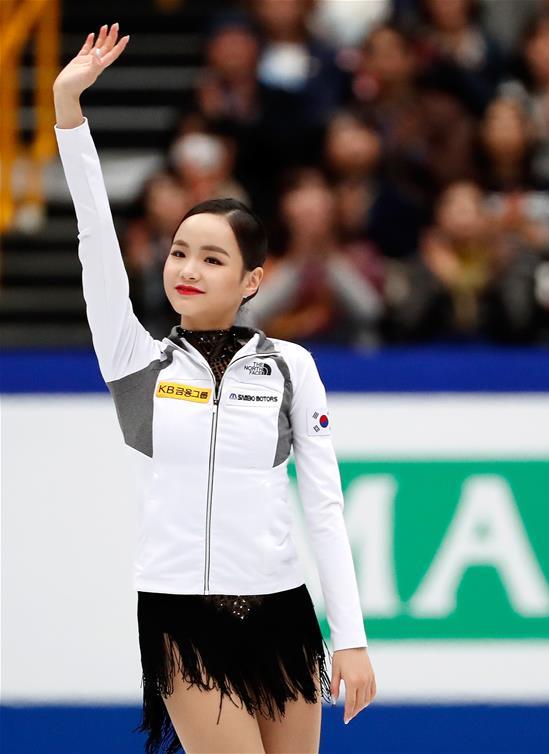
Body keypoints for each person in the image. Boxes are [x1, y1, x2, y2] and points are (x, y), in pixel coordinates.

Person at [53, 25, 375, 754]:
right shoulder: (136, 360)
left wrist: (348, 637)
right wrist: (68, 111)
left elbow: (323, 505)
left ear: (252, 280)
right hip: (181, 616)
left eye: (211, 257)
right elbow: (95, 239)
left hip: (283, 613)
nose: (186, 268)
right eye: (178, 252)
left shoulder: (292, 366)